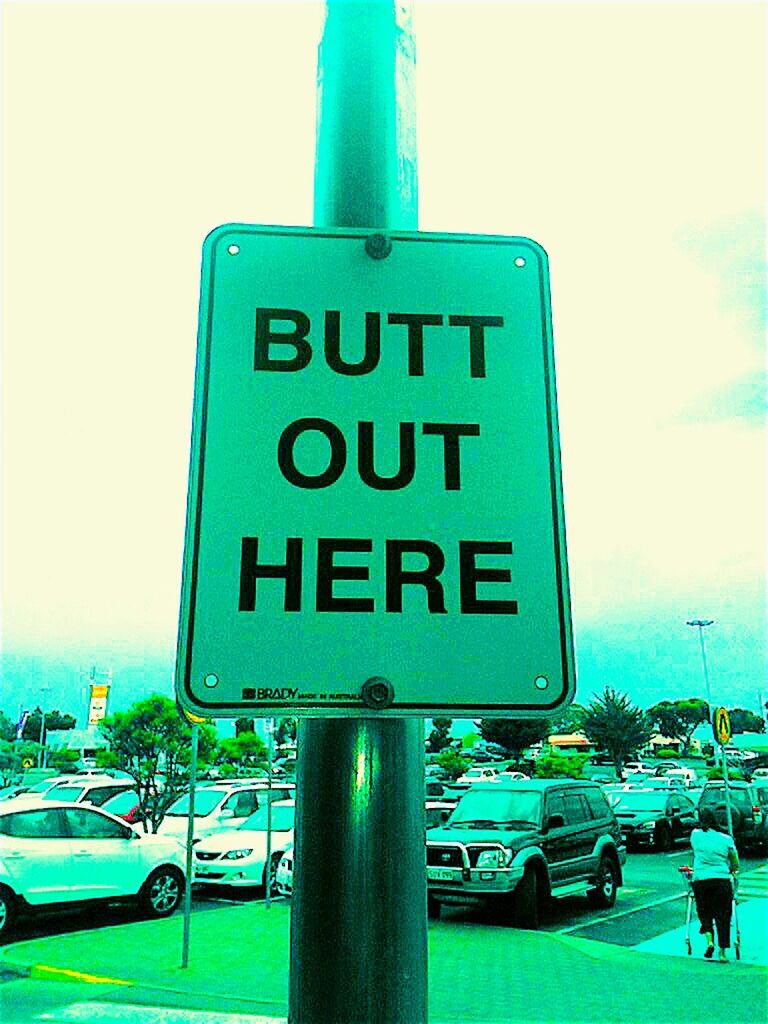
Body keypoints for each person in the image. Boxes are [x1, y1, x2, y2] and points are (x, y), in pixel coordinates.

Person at [690, 807, 740, 962]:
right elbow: (735, 862)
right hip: (721, 881)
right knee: (723, 916)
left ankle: (709, 941)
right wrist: (731, 869)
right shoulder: (726, 839)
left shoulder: (695, 835)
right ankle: (723, 952)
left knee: (704, 912)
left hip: (701, 880)